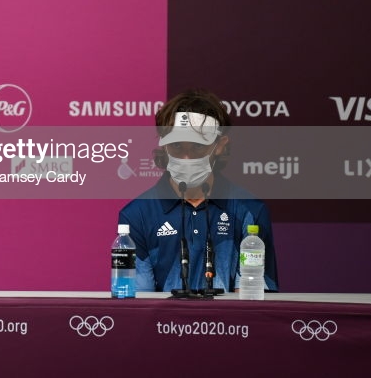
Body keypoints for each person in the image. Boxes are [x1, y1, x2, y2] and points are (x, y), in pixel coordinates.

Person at [117, 89, 278, 294]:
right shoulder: (136, 214)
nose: (186, 158)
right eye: (176, 146)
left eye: (197, 147)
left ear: (219, 145)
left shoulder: (250, 210)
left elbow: (252, 300)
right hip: (164, 326)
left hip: (229, 326)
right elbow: (138, 302)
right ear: (163, 146)